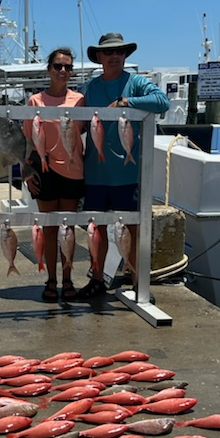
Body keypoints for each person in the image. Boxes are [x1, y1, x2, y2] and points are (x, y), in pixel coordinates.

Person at [77, 33, 170, 300]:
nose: (114, 56)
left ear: (125, 56)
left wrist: (125, 102)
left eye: (119, 52)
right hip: (95, 174)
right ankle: (97, 279)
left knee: (134, 229)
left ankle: (139, 282)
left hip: (128, 175)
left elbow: (162, 102)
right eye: (108, 52)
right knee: (96, 230)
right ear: (100, 57)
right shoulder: (89, 88)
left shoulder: (136, 82)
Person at [22, 48, 85, 302]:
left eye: (68, 67)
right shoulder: (34, 102)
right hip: (44, 172)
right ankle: (51, 279)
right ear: (49, 69)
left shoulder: (80, 100)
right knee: (49, 230)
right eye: (58, 66)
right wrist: (26, 171)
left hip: (73, 171)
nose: (63, 71)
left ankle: (68, 278)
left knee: (67, 229)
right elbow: (27, 140)